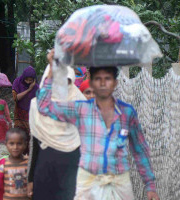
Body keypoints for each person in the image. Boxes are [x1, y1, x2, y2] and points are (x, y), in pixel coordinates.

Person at [36, 49, 160, 200]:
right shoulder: (81, 109)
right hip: (88, 181)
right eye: (98, 79)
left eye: (107, 78)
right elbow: (44, 107)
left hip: (119, 182)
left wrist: (150, 185)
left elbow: (140, 150)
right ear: (92, 83)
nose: (102, 83)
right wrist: (52, 69)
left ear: (115, 83)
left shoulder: (127, 113)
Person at [28, 65, 86, 199]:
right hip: (44, 171)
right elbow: (34, 147)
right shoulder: (37, 108)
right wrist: (30, 180)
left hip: (72, 172)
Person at [0, 128, 29, 200]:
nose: (15, 147)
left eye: (19, 143)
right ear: (6, 144)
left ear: (25, 144)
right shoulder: (3, 164)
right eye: (11, 144)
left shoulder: (28, 163)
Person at [12, 66, 39, 154]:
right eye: (26, 80)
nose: (28, 82)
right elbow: (16, 98)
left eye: (30, 80)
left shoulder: (37, 88)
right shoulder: (17, 82)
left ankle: (28, 159)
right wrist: (29, 89)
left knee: (29, 139)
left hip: (30, 116)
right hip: (19, 114)